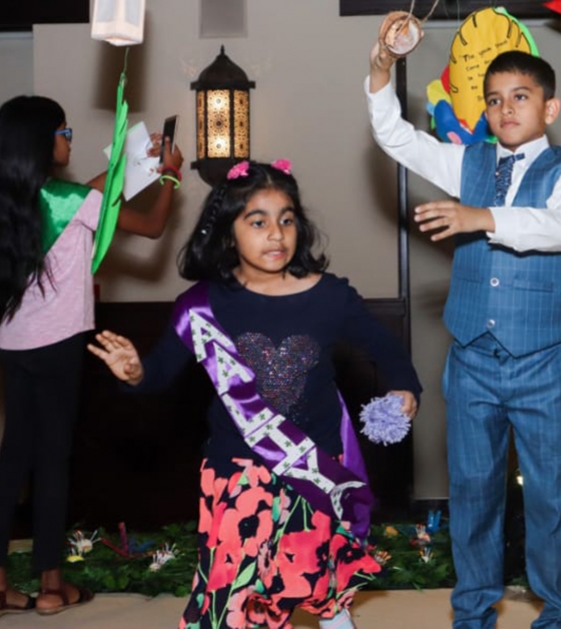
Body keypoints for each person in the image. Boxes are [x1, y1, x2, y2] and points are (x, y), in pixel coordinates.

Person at [88, 159, 421, 629]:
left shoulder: (330, 297)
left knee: (318, 583)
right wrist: (135, 371)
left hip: (314, 470)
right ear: (227, 234)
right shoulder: (201, 307)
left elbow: (388, 350)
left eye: (286, 220)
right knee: (230, 595)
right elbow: (158, 374)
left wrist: (405, 387)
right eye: (258, 221)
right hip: (235, 473)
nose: (276, 234)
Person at [367, 39, 561, 629]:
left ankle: (559, 612)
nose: (506, 110)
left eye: (520, 97)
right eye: (494, 100)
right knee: (472, 494)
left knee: (551, 497)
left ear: (549, 108)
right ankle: (472, 614)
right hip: (471, 358)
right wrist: (381, 70)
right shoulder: (469, 161)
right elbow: (398, 139)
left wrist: (482, 218)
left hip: (543, 362)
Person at [0, 95, 184, 621]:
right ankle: (50, 585)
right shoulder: (71, 201)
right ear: (43, 141)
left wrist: (130, 161)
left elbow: (85, 194)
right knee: (54, 459)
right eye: (63, 130)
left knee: (12, 460)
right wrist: (172, 177)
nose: (69, 137)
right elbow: (152, 226)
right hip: (59, 344)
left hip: (12, 345)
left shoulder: (10, 199)